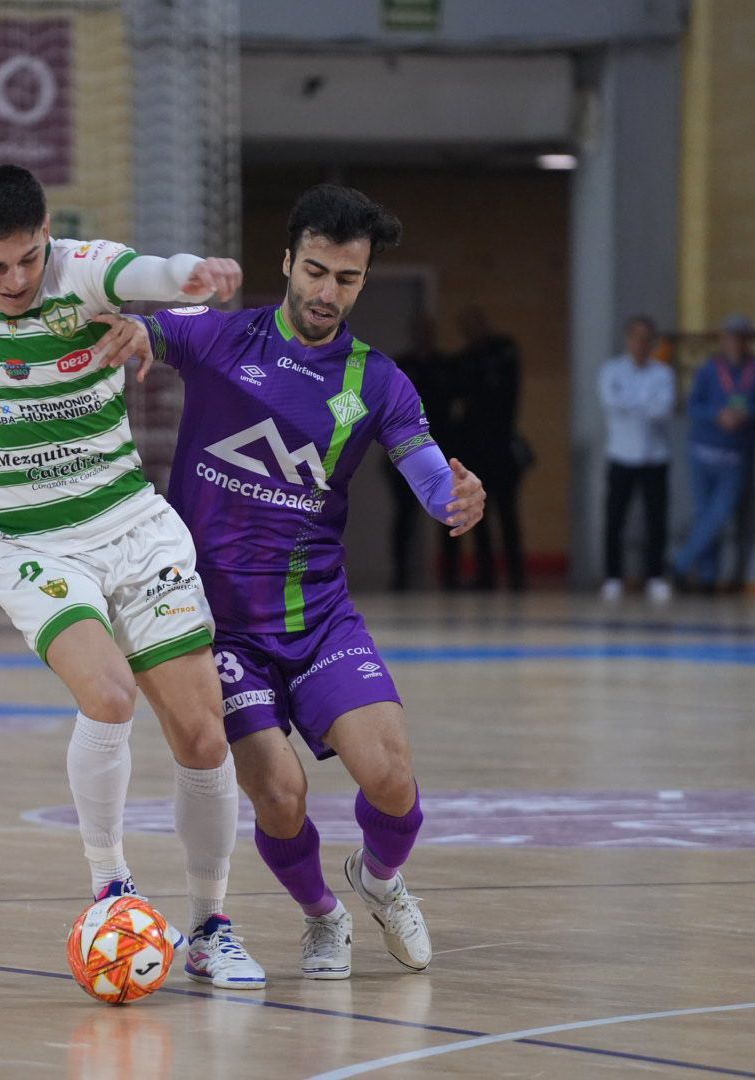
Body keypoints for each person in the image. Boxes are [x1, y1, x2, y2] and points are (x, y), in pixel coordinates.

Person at [0, 164, 266, 988]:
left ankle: (211, 924)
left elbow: (147, 274)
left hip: (129, 521)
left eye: (29, 259)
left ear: (49, 236)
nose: (14, 281)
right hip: (23, 538)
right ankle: (110, 886)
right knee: (108, 694)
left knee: (202, 732)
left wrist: (195, 275)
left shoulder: (84, 271)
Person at [138, 184, 486, 979]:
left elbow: (428, 472)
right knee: (282, 793)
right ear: (288, 262)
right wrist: (119, 330)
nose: (328, 292)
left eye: (348, 279)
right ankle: (321, 916)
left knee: (392, 778)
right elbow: (139, 333)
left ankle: (380, 879)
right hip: (222, 629)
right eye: (317, 272)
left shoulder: (378, 381)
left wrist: (454, 497)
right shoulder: (222, 341)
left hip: (319, 615)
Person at [672, 314, 755, 592]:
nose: (736, 343)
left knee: (720, 513)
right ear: (723, 340)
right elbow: (693, 405)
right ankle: (708, 577)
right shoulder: (709, 369)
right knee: (705, 514)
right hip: (703, 451)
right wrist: (717, 415)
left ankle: (680, 563)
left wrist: (747, 413)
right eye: (731, 337)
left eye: (741, 338)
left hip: (735, 454)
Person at [445, 306, 524, 590]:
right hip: (474, 446)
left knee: (507, 511)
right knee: (478, 511)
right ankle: (486, 575)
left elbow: (503, 393)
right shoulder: (465, 360)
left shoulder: (503, 350)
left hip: (500, 445)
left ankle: (516, 575)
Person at [597, 315, 675, 603]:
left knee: (656, 520)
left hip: (655, 456)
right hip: (621, 453)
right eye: (636, 338)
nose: (641, 344)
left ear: (652, 342)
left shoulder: (663, 373)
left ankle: (655, 576)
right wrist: (643, 404)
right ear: (628, 340)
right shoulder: (612, 371)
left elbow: (662, 409)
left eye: (647, 339)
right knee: (615, 518)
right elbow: (610, 404)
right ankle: (613, 577)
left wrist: (632, 405)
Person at [381, 315, 449, 590]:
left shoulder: (445, 366)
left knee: (449, 508)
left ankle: (450, 575)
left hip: (439, 446)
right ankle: (400, 575)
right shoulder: (400, 367)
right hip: (401, 450)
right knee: (403, 516)